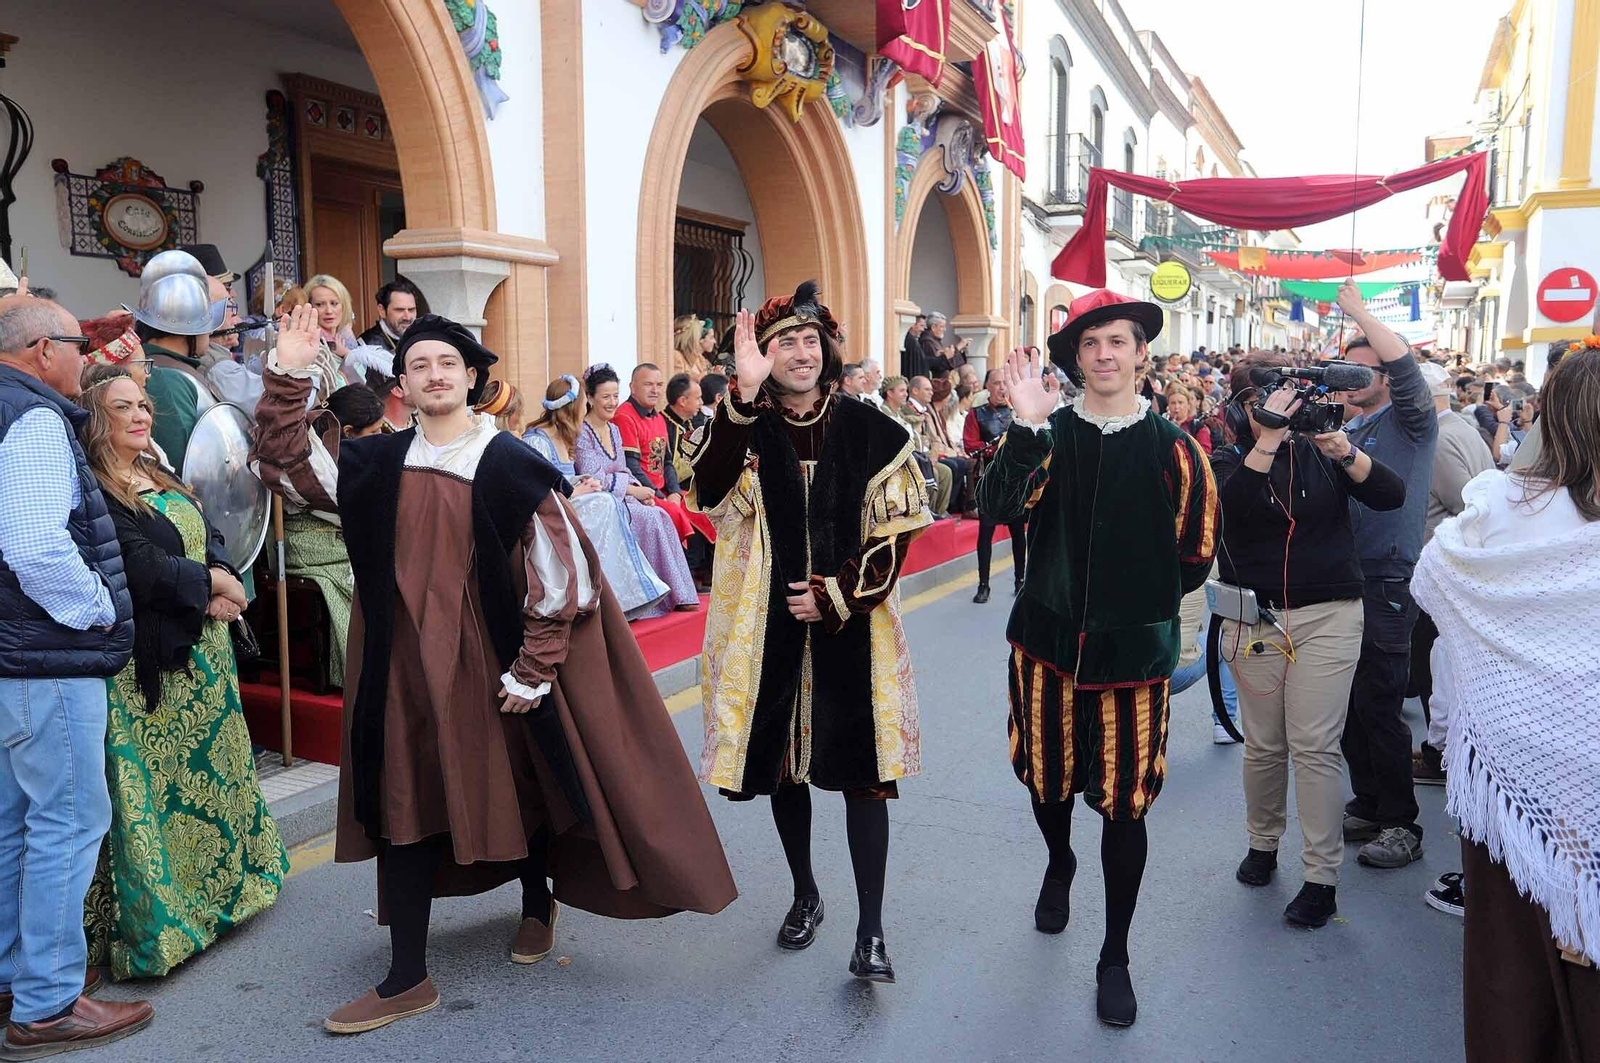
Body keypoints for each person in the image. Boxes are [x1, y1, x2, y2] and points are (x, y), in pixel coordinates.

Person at [256, 308, 736, 1033]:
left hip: (491, 658)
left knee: (520, 781)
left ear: (473, 378)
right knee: (405, 794)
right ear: (405, 385)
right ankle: (407, 974)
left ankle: (539, 901)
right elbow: (290, 465)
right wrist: (288, 375)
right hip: (400, 665)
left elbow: (565, 573)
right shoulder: (379, 462)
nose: (435, 374)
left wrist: (534, 666)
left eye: (448, 363)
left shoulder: (509, 462)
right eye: (420, 365)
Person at [978, 289, 1218, 1026]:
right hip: (1046, 648)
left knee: (1125, 802)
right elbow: (998, 504)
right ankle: (1059, 860)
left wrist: (1132, 609)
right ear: (1075, 358)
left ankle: (1114, 952)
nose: (1106, 354)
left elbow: (1195, 553)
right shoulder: (1048, 435)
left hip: (1133, 661)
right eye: (1091, 344)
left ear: (1141, 353)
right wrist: (1024, 424)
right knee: (1046, 783)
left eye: (1119, 341)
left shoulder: (1177, 451)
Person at [686, 281, 932, 985]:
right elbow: (705, 490)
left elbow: (897, 530)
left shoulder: (872, 427)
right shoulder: (743, 424)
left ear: (826, 349)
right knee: (783, 771)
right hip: (768, 628)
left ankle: (872, 930)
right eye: (783, 341)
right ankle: (804, 892)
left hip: (851, 629)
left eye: (807, 340)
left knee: (865, 777)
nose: (799, 351)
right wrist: (738, 394)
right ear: (764, 355)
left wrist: (837, 593)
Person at [1410, 347, 1600, 1063]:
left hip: (1509, 789)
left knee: (1510, 984)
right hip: (1529, 788)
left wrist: (1446, 731)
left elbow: (1437, 600)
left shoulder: (1493, 513)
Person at [74, 364, 288, 978]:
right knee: (160, 795)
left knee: (213, 777)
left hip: (206, 652)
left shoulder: (154, 467)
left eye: (143, 404)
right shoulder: (94, 485)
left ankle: (223, 893)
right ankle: (163, 922)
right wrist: (212, 584)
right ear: (96, 417)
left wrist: (221, 577)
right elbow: (137, 566)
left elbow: (208, 526)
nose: (141, 415)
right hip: (150, 663)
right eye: (123, 408)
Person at [0, 296, 152, 1055]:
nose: (83, 356)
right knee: (64, 822)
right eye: (74, 342)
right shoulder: (29, 417)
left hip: (10, 658)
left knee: (13, 823)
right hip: (44, 656)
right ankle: (49, 999)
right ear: (38, 350)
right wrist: (95, 609)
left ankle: (12, 976)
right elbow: (34, 546)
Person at [1209, 353, 1405, 928]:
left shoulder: (1326, 452)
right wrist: (1265, 442)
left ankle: (1322, 876)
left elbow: (1389, 495)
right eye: (1258, 403)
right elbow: (1230, 512)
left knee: (1316, 745)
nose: (1274, 412)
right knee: (1264, 744)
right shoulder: (1227, 457)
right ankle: (1262, 843)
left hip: (1330, 615)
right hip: (1254, 618)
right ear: (1238, 408)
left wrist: (1341, 447)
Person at [1332, 279, 1439, 870]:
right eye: (1344, 370)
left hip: (1388, 580)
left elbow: (1402, 367)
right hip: (1345, 580)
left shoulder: (1409, 421)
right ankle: (1371, 801)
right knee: (1349, 702)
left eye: (1362, 370)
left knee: (1379, 702)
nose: (1351, 379)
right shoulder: (1346, 430)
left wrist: (1361, 313)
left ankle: (1402, 823)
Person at [523, 375, 672, 619]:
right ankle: (607, 597)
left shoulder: (564, 437)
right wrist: (573, 491)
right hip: (550, 516)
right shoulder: (537, 441)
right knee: (606, 502)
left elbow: (565, 478)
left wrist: (582, 482)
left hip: (569, 503)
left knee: (613, 503)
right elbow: (536, 489)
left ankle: (622, 595)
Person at [1411, 361, 1494, 787]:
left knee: (1432, 664)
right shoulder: (1461, 426)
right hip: (1456, 567)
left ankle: (1438, 752)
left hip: (1443, 567)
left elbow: (1465, 503)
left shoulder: (1441, 437)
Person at [574, 365, 701, 611]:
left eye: (614, 396)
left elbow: (624, 469)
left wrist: (640, 492)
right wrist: (634, 491)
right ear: (590, 398)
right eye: (605, 397)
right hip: (600, 502)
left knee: (660, 514)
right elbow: (595, 478)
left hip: (622, 495)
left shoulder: (612, 429)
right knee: (651, 519)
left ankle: (677, 593)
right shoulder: (583, 433)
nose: (612, 403)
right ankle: (649, 597)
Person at [613, 363, 718, 549]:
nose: (655, 390)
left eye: (659, 385)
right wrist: (662, 496)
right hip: (642, 494)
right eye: (648, 384)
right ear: (632, 387)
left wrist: (675, 492)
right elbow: (632, 467)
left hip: (664, 492)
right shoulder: (625, 416)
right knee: (682, 517)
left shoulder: (658, 418)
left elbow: (667, 462)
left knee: (708, 507)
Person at [964, 368, 1028, 603]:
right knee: (985, 534)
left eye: (1005, 383)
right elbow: (971, 446)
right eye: (997, 383)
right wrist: (998, 448)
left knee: (1018, 534)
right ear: (987, 386)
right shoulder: (976, 415)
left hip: (1016, 481)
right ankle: (984, 585)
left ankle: (1021, 580)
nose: (1002, 388)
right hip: (990, 483)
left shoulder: (1020, 413)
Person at [662, 372, 705, 494]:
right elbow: (674, 469)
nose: (701, 402)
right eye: (698, 398)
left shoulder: (688, 422)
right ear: (682, 401)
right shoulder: (665, 425)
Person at [358, 279, 421, 352]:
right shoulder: (365, 345)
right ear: (382, 311)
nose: (407, 317)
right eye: (399, 310)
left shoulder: (423, 339)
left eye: (411, 310)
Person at [305, 274, 359, 356]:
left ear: (344, 305)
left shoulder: (347, 337)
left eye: (334, 303)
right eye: (320, 304)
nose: (329, 311)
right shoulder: (306, 342)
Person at [1163, 383, 1212, 454]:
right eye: (1173, 403)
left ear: (1188, 405)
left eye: (1180, 403)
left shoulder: (1198, 427)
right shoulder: (1163, 425)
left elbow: (1205, 453)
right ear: (1168, 405)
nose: (1177, 407)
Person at [672, 315, 716, 381]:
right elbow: (680, 386)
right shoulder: (676, 356)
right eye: (698, 334)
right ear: (691, 337)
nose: (700, 338)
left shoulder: (700, 359)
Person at [901, 313, 927, 379]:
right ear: (912, 324)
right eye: (921, 326)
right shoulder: (911, 343)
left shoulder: (913, 341)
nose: (923, 329)